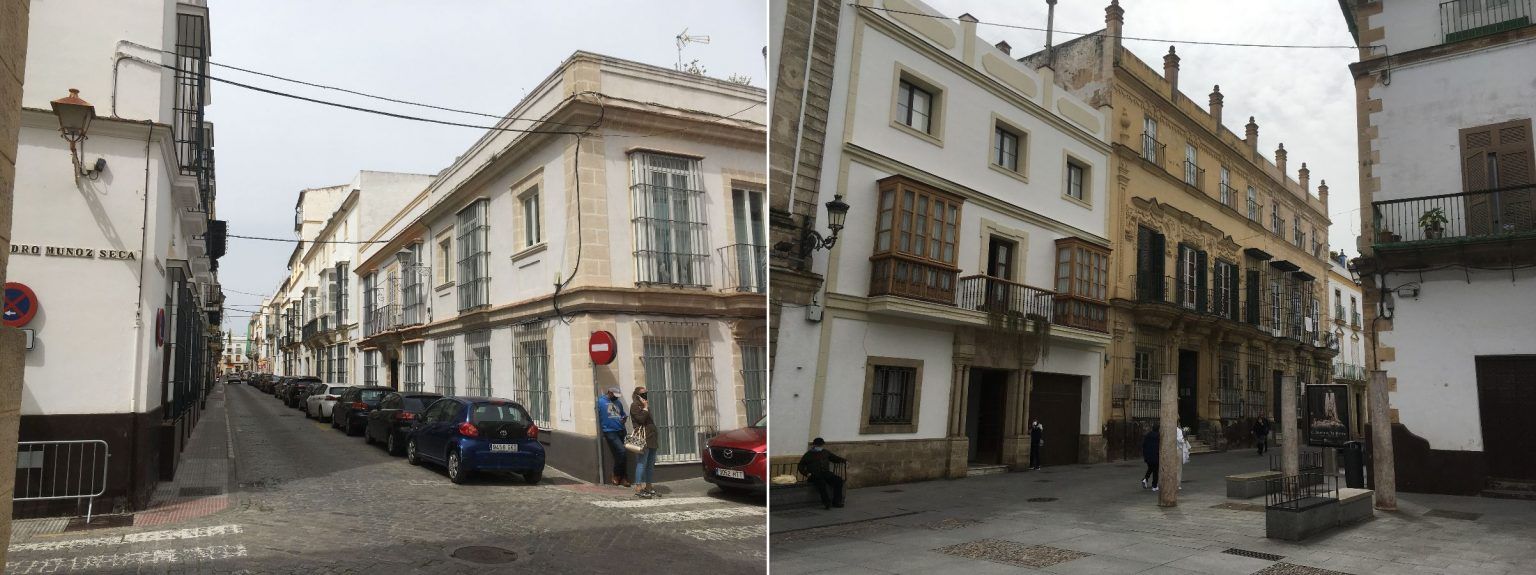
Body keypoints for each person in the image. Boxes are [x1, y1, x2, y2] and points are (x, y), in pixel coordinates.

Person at [798, 438, 846, 510]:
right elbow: (801, 466)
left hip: (825, 473)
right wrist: (807, 473)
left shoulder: (825, 452)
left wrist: (844, 461)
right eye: (818, 445)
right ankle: (826, 502)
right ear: (814, 445)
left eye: (820, 445)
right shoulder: (808, 454)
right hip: (814, 475)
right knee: (821, 483)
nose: (819, 446)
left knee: (838, 480)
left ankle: (837, 502)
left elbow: (834, 458)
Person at [596, 386, 629, 486]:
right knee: (622, 451)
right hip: (610, 431)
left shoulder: (618, 402)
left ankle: (623, 477)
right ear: (609, 393)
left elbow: (622, 414)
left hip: (621, 430)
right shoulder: (600, 402)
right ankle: (616, 474)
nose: (616, 398)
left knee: (622, 455)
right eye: (615, 396)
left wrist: (624, 418)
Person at [630, 387, 659, 498]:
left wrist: (646, 407)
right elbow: (641, 420)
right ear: (637, 395)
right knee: (642, 462)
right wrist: (646, 408)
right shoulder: (634, 406)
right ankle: (638, 486)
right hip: (642, 437)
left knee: (650, 463)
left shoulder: (645, 405)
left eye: (646, 393)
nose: (645, 395)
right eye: (643, 394)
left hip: (651, 437)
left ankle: (649, 486)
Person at [1174, 426, 1190, 491]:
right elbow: (1180, 440)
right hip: (1177, 449)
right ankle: (1177, 484)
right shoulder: (1178, 430)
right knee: (1178, 468)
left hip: (1170, 449)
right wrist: (1184, 439)